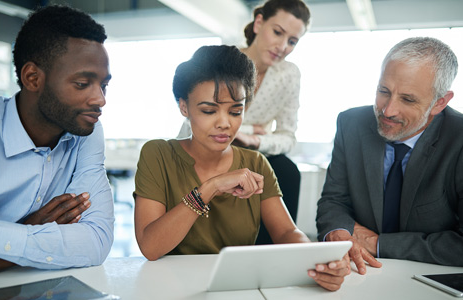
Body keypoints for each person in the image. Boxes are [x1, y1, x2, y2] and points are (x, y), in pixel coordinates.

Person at [134, 45, 348, 291]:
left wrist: (319, 261)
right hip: (169, 288)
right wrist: (211, 187)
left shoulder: (256, 163)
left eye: (236, 111)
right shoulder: (158, 155)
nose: (225, 123)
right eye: (208, 110)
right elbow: (150, 247)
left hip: (235, 289)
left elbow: (287, 232)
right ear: (184, 107)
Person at [0, 5, 114, 277]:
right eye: (82, 83)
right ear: (32, 78)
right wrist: (33, 238)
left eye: (103, 84)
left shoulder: (85, 130)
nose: (100, 99)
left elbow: (95, 243)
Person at [316, 37, 462, 275]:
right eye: (384, 91)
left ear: (440, 102)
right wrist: (340, 235)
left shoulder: (459, 139)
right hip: (359, 270)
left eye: (408, 99)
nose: (387, 110)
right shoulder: (350, 123)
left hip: (431, 277)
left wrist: (377, 243)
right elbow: (334, 200)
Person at [178, 0, 311, 244]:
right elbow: (194, 122)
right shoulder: (225, 61)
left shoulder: (289, 74)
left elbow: (288, 136)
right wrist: (250, 127)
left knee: (287, 171)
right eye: (278, 32)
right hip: (205, 146)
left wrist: (255, 139)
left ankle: (271, 253)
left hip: (252, 153)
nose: (282, 46)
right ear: (259, 23)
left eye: (292, 41)